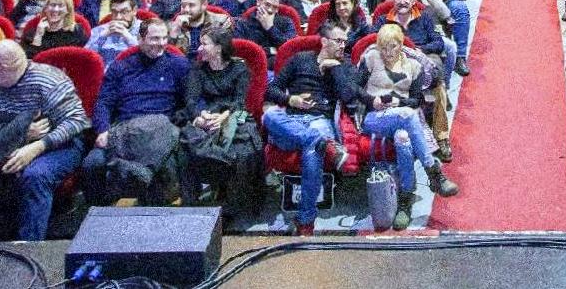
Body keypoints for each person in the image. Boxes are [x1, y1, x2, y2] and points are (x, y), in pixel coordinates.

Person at [0, 39, 90, 244]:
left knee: (35, 175)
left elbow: (76, 122)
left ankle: (29, 248)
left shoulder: (48, 80)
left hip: (58, 146)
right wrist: (20, 134)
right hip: (4, 147)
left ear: (3, 68)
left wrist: (36, 147)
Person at [355, 23, 459, 231]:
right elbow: (354, 88)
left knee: (403, 139)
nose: (388, 52)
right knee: (408, 116)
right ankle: (433, 172)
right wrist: (371, 100)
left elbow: (415, 100)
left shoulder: (413, 66)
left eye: (392, 47)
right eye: (383, 47)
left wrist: (397, 103)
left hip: (401, 115)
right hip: (374, 118)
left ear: (401, 45)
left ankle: (405, 197)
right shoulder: (370, 59)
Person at [82, 18, 189, 207]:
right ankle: (99, 218)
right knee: (92, 164)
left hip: (161, 130)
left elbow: (189, 102)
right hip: (125, 129)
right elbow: (104, 102)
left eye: (164, 38)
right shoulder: (121, 67)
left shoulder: (178, 65)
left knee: (169, 166)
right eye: (155, 39)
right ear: (140, 39)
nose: (162, 43)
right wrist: (102, 130)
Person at [262, 22, 354, 235]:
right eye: (338, 41)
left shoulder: (344, 66)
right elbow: (270, 90)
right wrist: (291, 99)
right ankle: (323, 144)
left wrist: (335, 69)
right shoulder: (300, 59)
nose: (343, 45)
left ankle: (305, 221)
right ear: (324, 41)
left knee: (312, 148)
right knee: (269, 115)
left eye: (345, 41)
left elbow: (349, 98)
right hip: (290, 122)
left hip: (319, 119)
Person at [178, 30, 261, 228]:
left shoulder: (239, 69)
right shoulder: (197, 70)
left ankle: (231, 207)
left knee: (243, 147)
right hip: (205, 116)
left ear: (219, 48)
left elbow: (240, 102)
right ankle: (191, 203)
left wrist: (223, 117)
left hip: (233, 115)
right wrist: (201, 116)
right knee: (186, 145)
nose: (199, 48)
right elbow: (190, 100)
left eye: (204, 43)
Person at [22, 0, 87, 56]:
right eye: (52, 5)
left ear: (68, 10)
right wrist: (38, 36)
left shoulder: (76, 31)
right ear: (45, 9)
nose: (56, 9)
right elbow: (28, 59)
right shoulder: (33, 33)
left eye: (61, 6)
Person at [85, 0, 141, 68]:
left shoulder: (145, 29)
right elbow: (85, 57)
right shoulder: (99, 30)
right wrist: (102, 37)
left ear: (134, 11)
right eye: (114, 12)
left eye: (124, 12)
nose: (118, 17)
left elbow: (148, 56)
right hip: (105, 74)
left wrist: (128, 37)